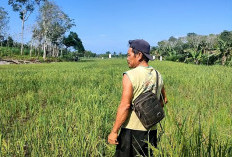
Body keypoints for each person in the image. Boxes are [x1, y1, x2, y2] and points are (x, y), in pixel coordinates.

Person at [108, 39, 168, 157]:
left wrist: (114, 131)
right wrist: (149, 113)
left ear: (139, 55)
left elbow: (125, 106)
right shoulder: (157, 74)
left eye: (129, 55)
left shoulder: (130, 75)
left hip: (131, 131)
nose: (127, 58)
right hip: (151, 130)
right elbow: (164, 100)